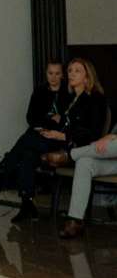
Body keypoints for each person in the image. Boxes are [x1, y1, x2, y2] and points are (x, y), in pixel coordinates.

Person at [41, 58, 112, 235]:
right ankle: (75, 221)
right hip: (107, 157)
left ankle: (70, 155)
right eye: (70, 70)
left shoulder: (95, 99)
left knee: (84, 154)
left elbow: (92, 133)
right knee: (84, 163)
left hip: (93, 147)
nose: (71, 74)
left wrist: (112, 136)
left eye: (77, 71)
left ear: (87, 78)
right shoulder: (72, 100)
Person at [0, 61, 70, 221]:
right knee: (28, 155)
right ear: (46, 73)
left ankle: (4, 169)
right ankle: (27, 205)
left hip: (57, 139)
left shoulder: (68, 92)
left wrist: (48, 122)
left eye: (57, 73)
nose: (53, 77)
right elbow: (31, 118)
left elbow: (64, 122)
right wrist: (49, 120)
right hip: (38, 135)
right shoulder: (40, 91)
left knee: (27, 140)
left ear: (62, 75)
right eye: (50, 73)